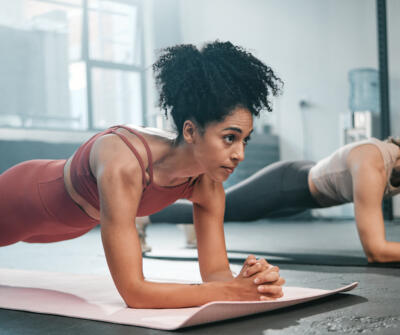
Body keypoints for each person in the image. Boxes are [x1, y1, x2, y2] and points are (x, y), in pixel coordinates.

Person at [0, 41, 286, 308]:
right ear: (190, 131)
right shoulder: (124, 162)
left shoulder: (208, 186)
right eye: (229, 138)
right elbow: (134, 292)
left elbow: (216, 273)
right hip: (21, 199)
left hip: (68, 225)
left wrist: (252, 282)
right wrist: (228, 292)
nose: (240, 154)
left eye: (244, 140)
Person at [142, 136, 400, 263]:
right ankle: (142, 215)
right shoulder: (372, 163)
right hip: (286, 185)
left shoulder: (393, 163)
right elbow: (376, 251)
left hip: (305, 194)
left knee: (226, 211)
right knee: (225, 209)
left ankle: (189, 221)